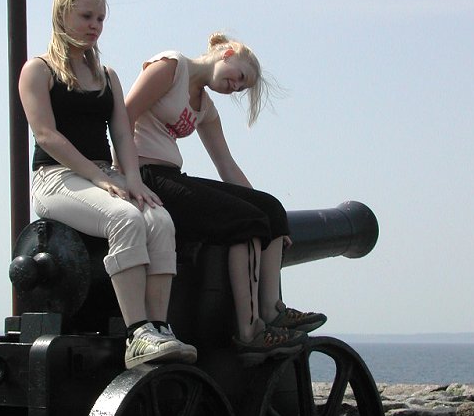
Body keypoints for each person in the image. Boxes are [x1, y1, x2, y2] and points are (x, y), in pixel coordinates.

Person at [18, 0, 197, 370]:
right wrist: (98, 178)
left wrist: (132, 179)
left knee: (160, 221)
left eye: (100, 18)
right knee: (125, 218)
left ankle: (159, 327)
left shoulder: (106, 76)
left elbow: (122, 134)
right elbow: (47, 135)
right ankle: (138, 333)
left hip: (103, 173)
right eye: (86, 16)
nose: (94, 25)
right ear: (62, 15)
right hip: (56, 177)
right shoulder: (38, 70)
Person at [124, 34, 326, 363]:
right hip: (147, 176)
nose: (236, 86)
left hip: (171, 175)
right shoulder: (170, 67)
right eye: (240, 77)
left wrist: (276, 223)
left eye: (241, 87)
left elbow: (226, 165)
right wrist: (126, 176)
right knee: (245, 221)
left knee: (270, 208)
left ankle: (272, 310)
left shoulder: (205, 107)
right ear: (227, 53)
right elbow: (125, 115)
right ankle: (249, 330)